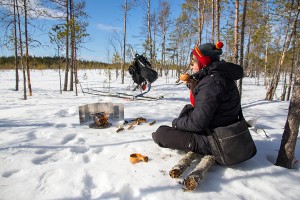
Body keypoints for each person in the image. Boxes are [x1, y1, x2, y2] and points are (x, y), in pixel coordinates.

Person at [152, 41, 244, 155]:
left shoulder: (211, 83)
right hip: (225, 131)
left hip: (217, 142)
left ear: (203, 62)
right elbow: (206, 97)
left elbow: (198, 123)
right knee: (188, 109)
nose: (191, 65)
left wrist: (176, 123)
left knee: (161, 133)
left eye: (193, 61)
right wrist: (192, 83)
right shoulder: (218, 76)